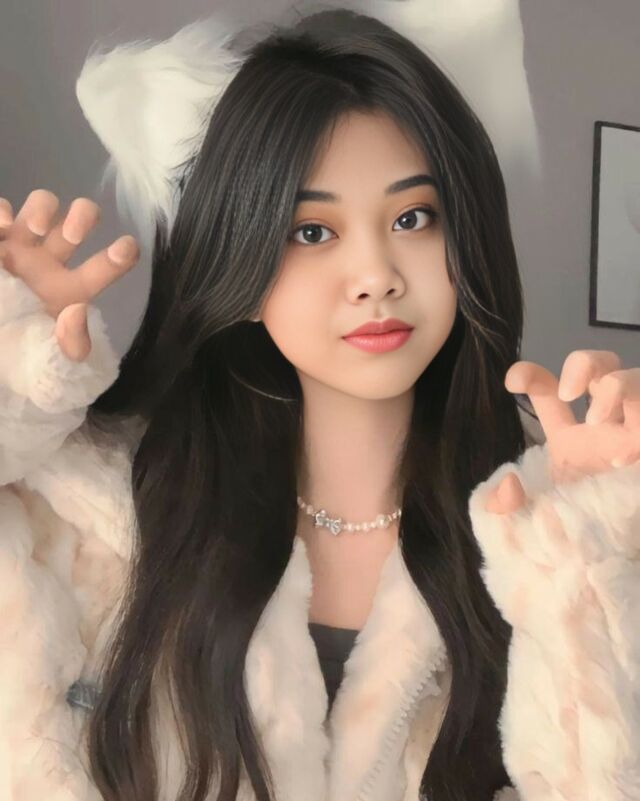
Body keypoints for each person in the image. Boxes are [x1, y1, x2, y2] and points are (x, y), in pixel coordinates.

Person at [0, 6, 638, 801]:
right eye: (312, 231)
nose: (375, 275)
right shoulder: (101, 511)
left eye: (412, 218)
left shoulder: (543, 508)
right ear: (239, 257)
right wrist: (15, 379)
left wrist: (597, 545)